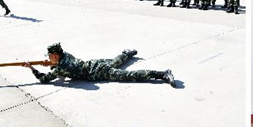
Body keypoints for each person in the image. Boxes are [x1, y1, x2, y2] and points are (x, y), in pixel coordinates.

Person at [23, 42, 176, 87]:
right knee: (117, 61)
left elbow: (44, 79)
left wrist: (32, 68)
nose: (49, 58)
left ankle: (162, 74)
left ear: (55, 55)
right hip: (94, 63)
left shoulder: (61, 68)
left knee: (129, 75)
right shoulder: (66, 55)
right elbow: (64, 68)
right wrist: (54, 65)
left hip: (99, 73)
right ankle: (128, 53)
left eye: (50, 57)